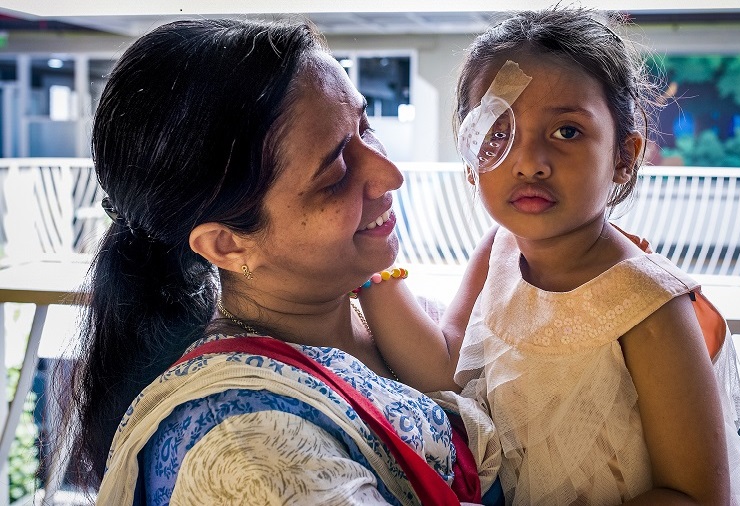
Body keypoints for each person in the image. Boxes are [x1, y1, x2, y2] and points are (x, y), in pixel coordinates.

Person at [58, 18, 502, 505]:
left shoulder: (372, 309)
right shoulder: (247, 458)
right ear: (226, 244)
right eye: (333, 173)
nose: (390, 174)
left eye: (365, 125)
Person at [356, 7, 740, 505]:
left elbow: (695, 495)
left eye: (567, 131)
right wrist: (366, 267)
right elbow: (446, 368)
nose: (529, 162)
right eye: (497, 134)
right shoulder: (499, 251)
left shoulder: (649, 305)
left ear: (623, 157)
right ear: (470, 159)